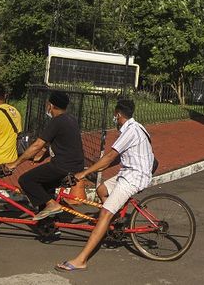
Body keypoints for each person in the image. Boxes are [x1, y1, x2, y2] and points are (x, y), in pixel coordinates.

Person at [56, 98, 154, 272]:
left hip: (134, 177)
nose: (113, 118)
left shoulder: (130, 131)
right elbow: (114, 158)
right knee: (102, 189)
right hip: (129, 172)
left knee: (105, 214)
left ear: (118, 114)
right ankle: (115, 220)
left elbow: (110, 157)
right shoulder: (136, 127)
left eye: (114, 115)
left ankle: (81, 260)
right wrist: (95, 169)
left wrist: (84, 174)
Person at [6, 90, 84, 220]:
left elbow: (37, 145)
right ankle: (48, 223)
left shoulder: (57, 121)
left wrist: (15, 163)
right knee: (43, 186)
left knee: (26, 180)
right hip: (75, 166)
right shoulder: (71, 120)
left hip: (62, 166)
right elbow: (61, 141)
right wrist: (42, 156)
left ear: (51, 105)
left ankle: (52, 205)